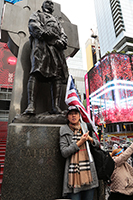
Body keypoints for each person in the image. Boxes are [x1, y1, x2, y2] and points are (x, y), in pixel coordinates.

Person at [24, 0, 69, 115]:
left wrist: (61, 41)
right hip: (41, 46)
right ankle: (31, 105)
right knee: (36, 72)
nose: (49, 3)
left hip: (56, 50)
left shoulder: (57, 22)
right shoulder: (37, 14)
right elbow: (33, 25)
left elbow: (63, 35)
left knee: (57, 77)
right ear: (42, 5)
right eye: (47, 2)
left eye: (51, 3)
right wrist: (44, 34)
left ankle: (56, 107)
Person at [59, 106, 100, 200]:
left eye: (76, 113)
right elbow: (64, 152)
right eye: (71, 114)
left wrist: (89, 139)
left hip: (89, 173)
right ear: (67, 116)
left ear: (79, 115)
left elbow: (97, 144)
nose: (73, 116)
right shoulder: (64, 130)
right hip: (73, 177)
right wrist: (80, 143)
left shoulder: (86, 127)